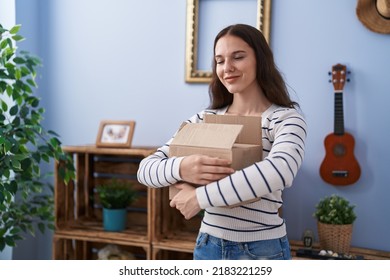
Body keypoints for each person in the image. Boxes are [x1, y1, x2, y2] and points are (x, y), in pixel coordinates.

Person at [137, 23, 307, 260]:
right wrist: (183, 167)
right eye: (219, 60)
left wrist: (199, 198)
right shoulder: (205, 120)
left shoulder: (285, 119)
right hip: (208, 246)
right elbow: (145, 170)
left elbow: (280, 171)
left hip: (263, 250)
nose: (227, 68)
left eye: (238, 57)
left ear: (261, 59)